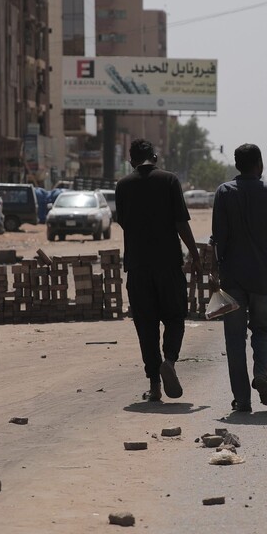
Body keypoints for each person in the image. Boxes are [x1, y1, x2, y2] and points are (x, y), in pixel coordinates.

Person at [114, 139, 202, 403]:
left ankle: (154, 385)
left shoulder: (123, 186)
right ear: (154, 156)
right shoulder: (169, 180)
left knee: (146, 325)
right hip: (168, 265)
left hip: (138, 268)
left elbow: (123, 223)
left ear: (131, 161)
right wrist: (195, 256)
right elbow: (180, 223)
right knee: (175, 317)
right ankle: (170, 361)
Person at [212, 144, 267, 413]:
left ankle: (242, 399)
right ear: (259, 164)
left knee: (234, 339)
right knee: (262, 329)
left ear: (237, 165)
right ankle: (261, 374)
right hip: (263, 276)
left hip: (232, 278)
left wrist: (216, 272)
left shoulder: (224, 193)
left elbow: (218, 239)